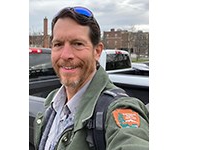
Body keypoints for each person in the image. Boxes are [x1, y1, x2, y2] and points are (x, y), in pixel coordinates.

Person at [33, 6, 149, 150]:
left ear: (97, 51)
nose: (65, 54)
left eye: (78, 44)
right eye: (58, 44)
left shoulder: (116, 110)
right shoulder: (52, 102)